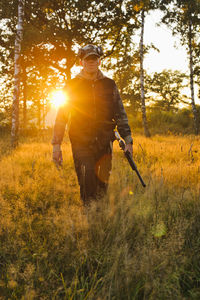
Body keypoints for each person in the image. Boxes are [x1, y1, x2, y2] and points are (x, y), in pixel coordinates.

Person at [52, 44, 133, 205]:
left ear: (99, 61)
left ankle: (100, 216)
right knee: (87, 177)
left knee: (103, 181)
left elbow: (120, 113)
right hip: (81, 142)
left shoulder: (110, 84)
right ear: (82, 62)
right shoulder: (72, 85)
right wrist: (56, 144)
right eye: (87, 59)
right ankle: (90, 216)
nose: (91, 62)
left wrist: (128, 140)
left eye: (94, 59)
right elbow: (61, 117)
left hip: (105, 141)